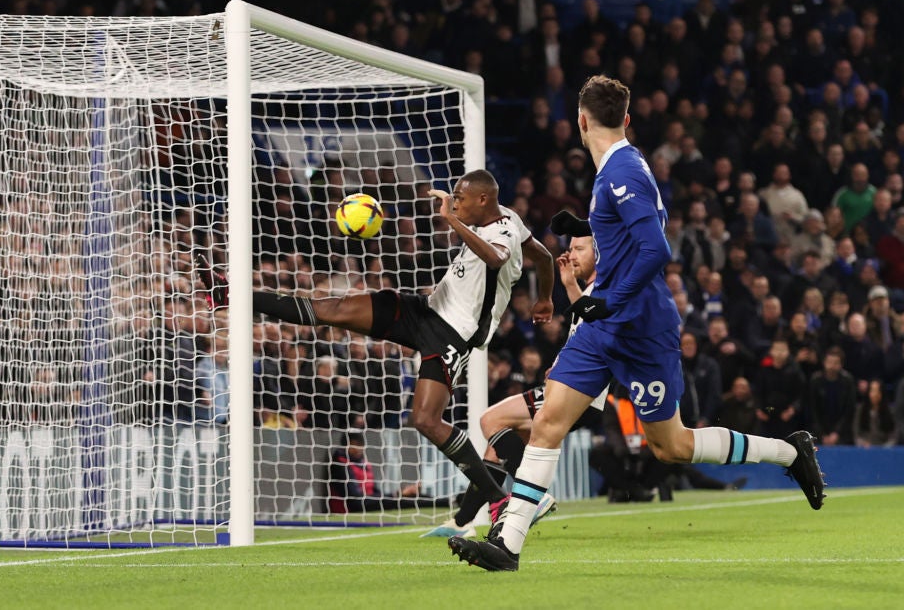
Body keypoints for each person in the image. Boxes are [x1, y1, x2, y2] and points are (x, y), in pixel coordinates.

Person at [449, 75, 826, 572]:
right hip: (602, 325)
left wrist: (610, 299)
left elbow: (655, 250)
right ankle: (508, 544)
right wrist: (590, 249)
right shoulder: (618, 168)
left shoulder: (622, 171)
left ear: (581, 121)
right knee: (548, 421)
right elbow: (632, 239)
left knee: (672, 446)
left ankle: (788, 452)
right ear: (626, 119)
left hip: (641, 326)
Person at [254, 169, 556, 519]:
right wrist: (545, 298)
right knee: (334, 309)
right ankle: (239, 296)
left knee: (425, 420)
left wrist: (452, 221)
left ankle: (497, 497)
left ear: (483, 199)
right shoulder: (511, 218)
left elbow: (497, 258)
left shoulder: (504, 230)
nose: (454, 204)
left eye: (460, 198)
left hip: (453, 334)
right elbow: (544, 258)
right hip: (426, 310)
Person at [422, 233, 606, 537]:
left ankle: (534, 496)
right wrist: (570, 287)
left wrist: (567, 365)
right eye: (570, 247)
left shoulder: (607, 288)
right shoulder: (591, 291)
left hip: (577, 390)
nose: (571, 254)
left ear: (598, 254)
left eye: (579, 249)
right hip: (577, 388)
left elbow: (602, 337)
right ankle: (462, 522)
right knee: (497, 449)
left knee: (490, 420)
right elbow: (585, 332)